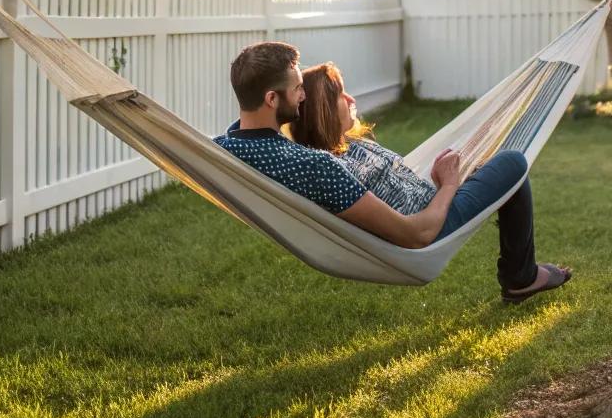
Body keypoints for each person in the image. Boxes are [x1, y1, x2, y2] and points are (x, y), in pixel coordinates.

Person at [213, 42, 570, 303]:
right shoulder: (315, 164)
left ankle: (520, 274)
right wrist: (448, 185)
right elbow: (418, 234)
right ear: (272, 100)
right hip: (429, 227)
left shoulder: (227, 148)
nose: (304, 98)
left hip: (419, 203)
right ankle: (520, 276)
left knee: (498, 168)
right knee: (513, 163)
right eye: (296, 91)